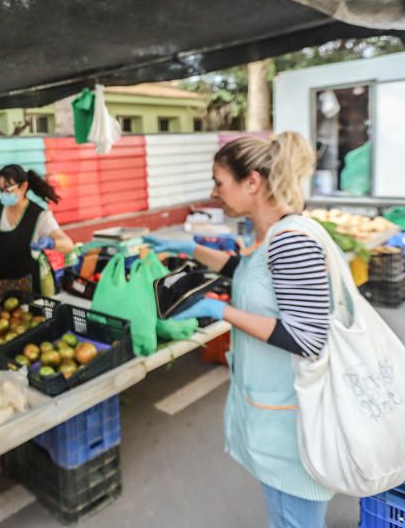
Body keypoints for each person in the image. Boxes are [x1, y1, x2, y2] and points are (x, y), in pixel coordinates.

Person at [144, 133, 335, 528]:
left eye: (219, 182)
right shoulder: (273, 235)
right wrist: (187, 248)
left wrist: (221, 310)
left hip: (293, 425)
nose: (214, 193)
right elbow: (246, 271)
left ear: (252, 182)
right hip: (277, 417)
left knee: (293, 521)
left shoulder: (291, 240)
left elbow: (307, 338)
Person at [0, 165, 75, 294]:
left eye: (7, 189)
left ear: (24, 186)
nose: (4, 194)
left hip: (32, 283)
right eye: (0, 189)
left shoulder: (39, 216)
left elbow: (68, 244)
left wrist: (51, 243)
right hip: (2, 280)